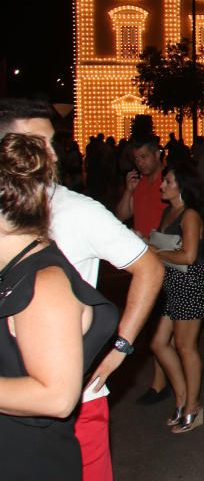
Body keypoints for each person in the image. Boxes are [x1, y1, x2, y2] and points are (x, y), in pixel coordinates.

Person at [1, 99, 164, 481]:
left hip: (75, 399)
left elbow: (149, 268)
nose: (51, 155)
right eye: (35, 145)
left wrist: (121, 348)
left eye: (51, 143)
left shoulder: (75, 211)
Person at [0, 133, 120, 480]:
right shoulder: (16, 270)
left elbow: (56, 396)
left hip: (30, 464)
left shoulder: (45, 285)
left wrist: (123, 347)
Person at [149, 164, 204, 432]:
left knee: (185, 347)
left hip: (190, 282)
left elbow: (188, 255)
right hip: (173, 283)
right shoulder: (169, 212)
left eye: (168, 181)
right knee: (159, 343)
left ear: (182, 186)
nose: (162, 185)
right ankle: (181, 398)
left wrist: (155, 252)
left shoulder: (189, 216)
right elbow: (167, 248)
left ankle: (192, 407)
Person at [114, 134, 172, 406]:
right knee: (155, 327)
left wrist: (154, 240)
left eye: (144, 156)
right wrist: (128, 190)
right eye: (136, 158)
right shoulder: (138, 183)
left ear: (158, 154)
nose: (140, 162)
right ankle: (168, 380)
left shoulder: (169, 181)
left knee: (161, 328)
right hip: (144, 262)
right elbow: (121, 215)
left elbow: (182, 220)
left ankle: (162, 383)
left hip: (166, 259)